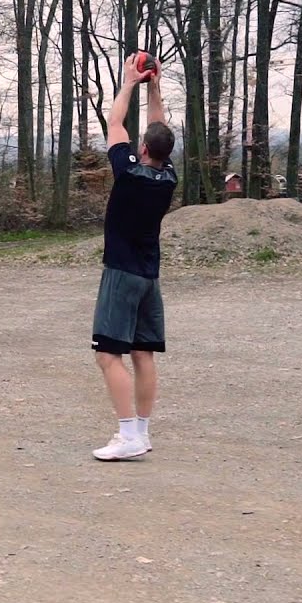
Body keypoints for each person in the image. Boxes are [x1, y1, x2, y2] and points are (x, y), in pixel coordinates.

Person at [90, 54, 178, 461]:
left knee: (108, 355)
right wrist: (154, 85)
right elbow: (157, 127)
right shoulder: (168, 176)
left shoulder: (128, 174)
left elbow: (114, 124)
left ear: (141, 149)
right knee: (142, 354)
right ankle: (141, 431)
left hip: (122, 274)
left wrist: (130, 82)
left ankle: (127, 436)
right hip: (149, 276)